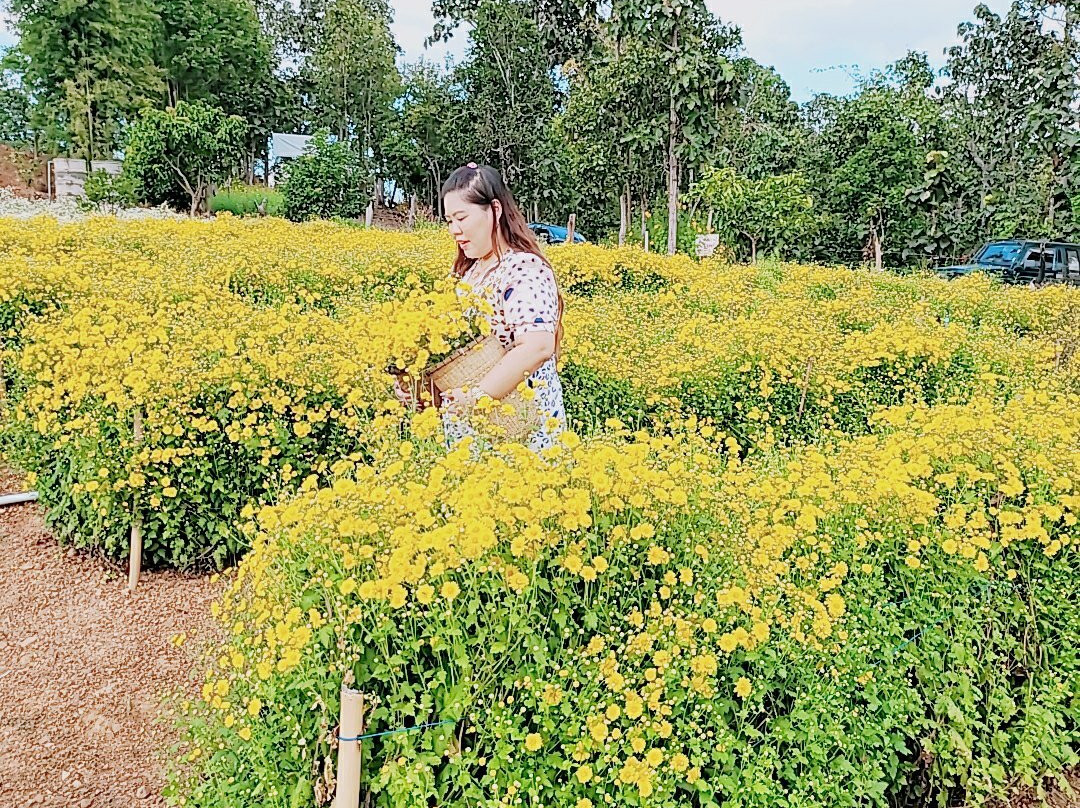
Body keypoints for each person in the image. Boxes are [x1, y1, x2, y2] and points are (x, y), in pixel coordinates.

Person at [394, 163, 567, 453]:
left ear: (495, 210)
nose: (454, 230)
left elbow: (537, 346)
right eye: (449, 221)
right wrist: (420, 388)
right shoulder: (468, 274)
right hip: (472, 430)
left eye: (462, 217)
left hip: (522, 431)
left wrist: (477, 397)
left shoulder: (523, 268)